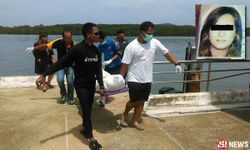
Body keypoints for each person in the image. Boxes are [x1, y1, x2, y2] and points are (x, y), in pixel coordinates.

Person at [36, 22, 104, 150]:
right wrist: (44, 74)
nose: (98, 35)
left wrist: (101, 85)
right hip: (81, 86)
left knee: (88, 110)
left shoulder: (96, 50)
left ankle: (84, 129)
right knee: (86, 110)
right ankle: (91, 138)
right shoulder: (77, 49)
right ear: (88, 35)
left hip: (91, 86)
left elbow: (98, 70)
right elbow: (60, 63)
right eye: (96, 33)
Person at [120, 21, 182, 130]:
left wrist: (176, 63)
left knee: (142, 101)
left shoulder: (154, 42)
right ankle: (125, 113)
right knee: (134, 101)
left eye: (152, 33)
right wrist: (120, 79)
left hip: (147, 78)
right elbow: (125, 64)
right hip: (134, 78)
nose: (150, 36)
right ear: (141, 32)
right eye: (148, 33)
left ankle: (134, 121)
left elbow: (166, 53)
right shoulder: (131, 46)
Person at [26, 31, 75, 105]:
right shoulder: (58, 42)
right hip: (60, 66)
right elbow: (46, 46)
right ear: (63, 38)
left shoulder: (73, 44)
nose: (69, 39)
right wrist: (34, 48)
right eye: (67, 38)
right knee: (60, 80)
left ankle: (70, 97)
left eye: (70, 38)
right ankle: (63, 95)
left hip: (70, 66)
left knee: (70, 82)